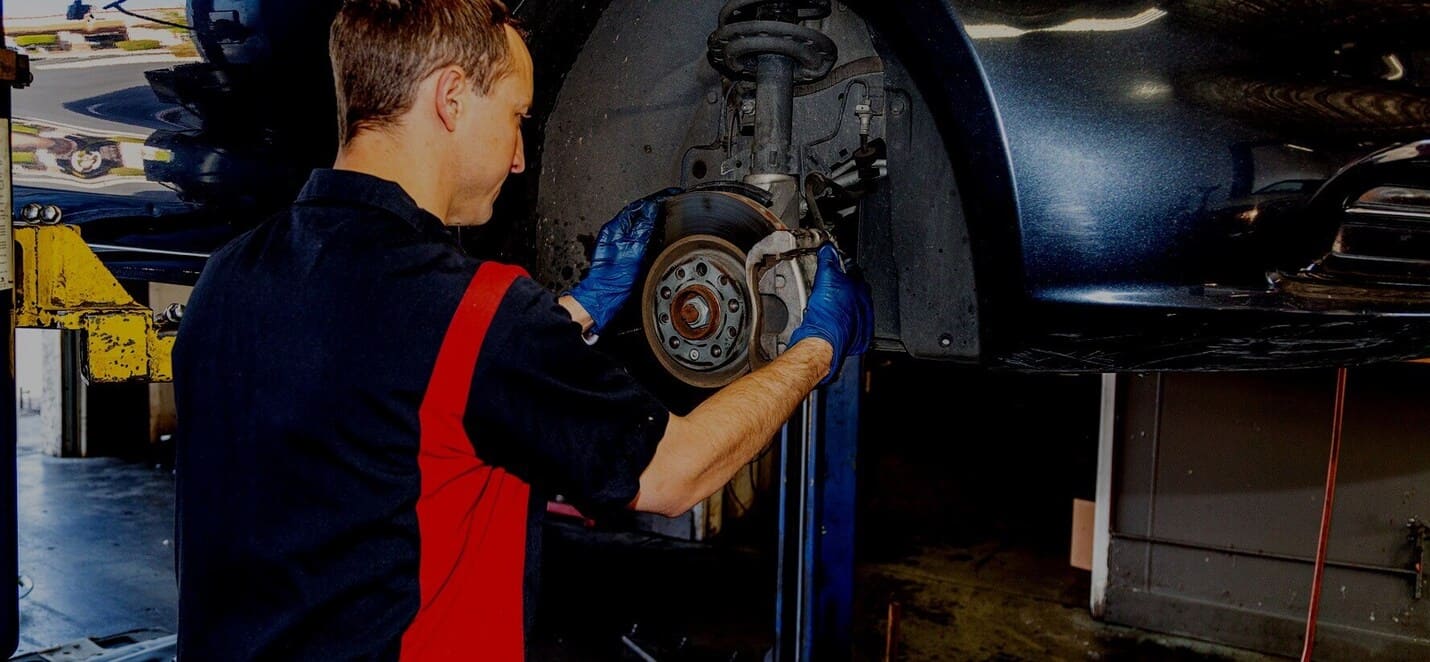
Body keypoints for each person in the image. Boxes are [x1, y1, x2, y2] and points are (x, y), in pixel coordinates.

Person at [170, 0, 872, 659]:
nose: (519, 158)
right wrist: (815, 349)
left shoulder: (229, 278)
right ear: (451, 98)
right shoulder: (476, 312)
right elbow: (674, 473)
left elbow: (402, 389)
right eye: (516, 117)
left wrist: (580, 309)